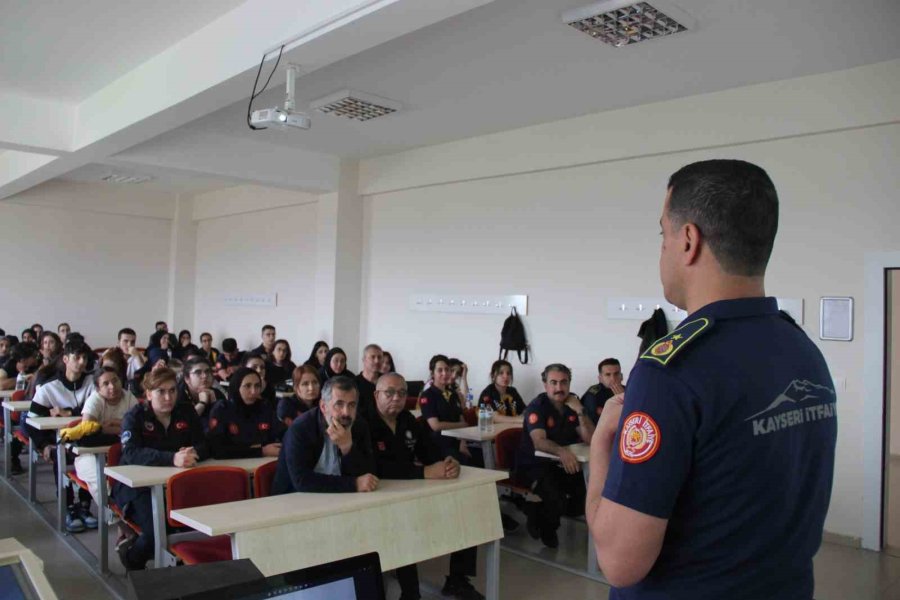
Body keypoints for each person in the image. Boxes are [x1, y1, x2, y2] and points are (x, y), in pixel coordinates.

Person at [585, 160, 838, 598]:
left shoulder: (672, 371)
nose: (661, 248)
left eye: (662, 232)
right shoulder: (803, 351)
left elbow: (620, 562)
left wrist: (601, 445)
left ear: (688, 241)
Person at [367, 373, 483, 600]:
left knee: (465, 510)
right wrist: (425, 472)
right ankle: (411, 593)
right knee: (402, 528)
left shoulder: (408, 421)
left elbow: (430, 452)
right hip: (376, 496)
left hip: (410, 491)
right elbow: (375, 468)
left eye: (402, 393)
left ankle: (458, 579)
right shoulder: (363, 423)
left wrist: (448, 462)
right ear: (376, 395)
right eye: (389, 392)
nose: (396, 398)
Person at [114, 367, 208, 570]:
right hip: (137, 487)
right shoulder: (135, 416)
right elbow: (130, 452)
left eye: (173, 390)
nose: (168, 397)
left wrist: (193, 451)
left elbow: (204, 443)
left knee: (196, 524)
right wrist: (171, 458)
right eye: (161, 392)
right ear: (148, 394)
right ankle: (132, 559)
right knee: (156, 532)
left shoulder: (186, 411)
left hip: (178, 482)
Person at [514, 363, 592, 548]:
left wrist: (580, 411)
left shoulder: (572, 404)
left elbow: (590, 439)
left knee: (588, 496)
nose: (559, 388)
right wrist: (562, 451)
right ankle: (547, 527)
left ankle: (536, 510)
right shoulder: (537, 407)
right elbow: (539, 441)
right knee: (556, 498)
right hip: (534, 466)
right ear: (545, 384)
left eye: (564, 382)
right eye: (554, 382)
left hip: (561, 464)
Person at [27, 339, 98, 532]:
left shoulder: (92, 384)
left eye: (85, 358)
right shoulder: (49, 388)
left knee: (92, 457)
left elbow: (95, 412)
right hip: (57, 441)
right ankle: (67, 507)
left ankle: (84, 506)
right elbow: (31, 422)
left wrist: (68, 412)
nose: (82, 362)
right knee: (60, 453)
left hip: (85, 439)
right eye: (77, 357)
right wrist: (43, 446)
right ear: (66, 359)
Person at [271, 375, 377, 494]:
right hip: (294, 500)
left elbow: (368, 473)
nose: (346, 412)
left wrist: (347, 448)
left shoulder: (359, 425)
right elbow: (302, 481)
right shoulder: (300, 429)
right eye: (339, 404)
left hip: (342, 498)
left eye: (352, 405)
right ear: (323, 406)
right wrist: (353, 484)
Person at [73, 367, 139, 513]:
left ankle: (128, 517)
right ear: (98, 388)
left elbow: (137, 430)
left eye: (115, 380)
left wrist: (113, 424)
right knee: (101, 482)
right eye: (106, 384)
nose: (112, 386)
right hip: (90, 455)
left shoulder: (129, 398)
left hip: (122, 453)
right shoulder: (95, 400)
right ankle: (118, 520)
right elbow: (87, 430)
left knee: (132, 480)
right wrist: (121, 426)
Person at [207, 367, 283, 459]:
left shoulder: (264, 406)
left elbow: (281, 433)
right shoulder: (222, 409)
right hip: (231, 467)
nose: (254, 391)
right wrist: (261, 451)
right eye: (247, 386)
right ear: (237, 386)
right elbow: (217, 450)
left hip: (262, 463)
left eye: (257, 386)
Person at [419, 354, 472, 463]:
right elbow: (436, 426)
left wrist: (463, 442)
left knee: (480, 458)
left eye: (447, 369)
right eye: (440, 370)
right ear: (432, 373)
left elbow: (461, 418)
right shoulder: (427, 395)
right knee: (465, 462)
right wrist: (461, 425)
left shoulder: (453, 394)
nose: (445, 373)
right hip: (437, 444)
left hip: (456, 441)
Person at [176, 356, 225, 427]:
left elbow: (225, 422)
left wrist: (215, 404)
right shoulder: (178, 396)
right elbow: (183, 424)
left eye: (207, 372)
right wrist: (202, 403)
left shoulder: (216, 393)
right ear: (187, 379)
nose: (204, 376)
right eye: (198, 372)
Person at [581, 358, 625, 425]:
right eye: (608, 375)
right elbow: (591, 420)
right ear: (600, 378)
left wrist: (624, 398)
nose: (613, 379)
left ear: (621, 376)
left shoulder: (630, 391)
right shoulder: (593, 394)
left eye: (616, 374)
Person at [354, 344, 383, 423]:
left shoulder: (387, 381)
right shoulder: (353, 383)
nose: (377, 361)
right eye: (373, 357)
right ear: (364, 360)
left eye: (379, 357)